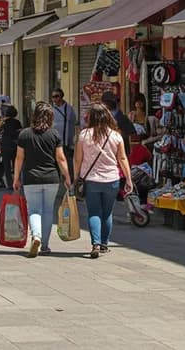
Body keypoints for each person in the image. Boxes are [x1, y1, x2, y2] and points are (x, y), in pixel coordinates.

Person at [72, 103, 132, 259]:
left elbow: (78, 159)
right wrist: (129, 179)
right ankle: (105, 244)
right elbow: (123, 158)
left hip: (90, 180)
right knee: (107, 213)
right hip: (112, 180)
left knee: (94, 212)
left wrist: (75, 177)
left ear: (91, 117)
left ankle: (95, 244)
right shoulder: (116, 136)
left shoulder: (84, 135)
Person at [13, 102, 71, 258]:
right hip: (51, 178)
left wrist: (16, 178)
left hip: (31, 178)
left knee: (34, 209)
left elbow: (19, 158)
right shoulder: (54, 135)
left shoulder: (24, 134)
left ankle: (36, 236)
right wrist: (67, 177)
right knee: (47, 211)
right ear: (50, 117)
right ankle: (44, 245)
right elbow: (61, 159)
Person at [49, 89, 79, 176]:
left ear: (61, 97)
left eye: (56, 96)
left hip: (66, 143)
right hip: (54, 142)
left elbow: (73, 123)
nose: (54, 99)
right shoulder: (51, 109)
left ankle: (70, 181)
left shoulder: (69, 109)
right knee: (55, 163)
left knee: (67, 163)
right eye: (53, 97)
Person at [0, 106, 22, 190]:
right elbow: (20, 133)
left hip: (5, 145)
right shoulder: (17, 122)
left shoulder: (3, 122)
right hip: (15, 145)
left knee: (7, 165)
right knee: (16, 165)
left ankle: (10, 184)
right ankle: (17, 181)